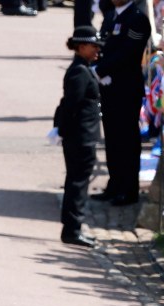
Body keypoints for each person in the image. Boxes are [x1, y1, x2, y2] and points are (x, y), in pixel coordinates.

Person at [93, 0, 151, 206]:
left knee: (127, 140)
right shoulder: (111, 16)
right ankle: (114, 184)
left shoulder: (137, 19)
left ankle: (128, 190)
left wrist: (100, 70)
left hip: (126, 87)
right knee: (112, 138)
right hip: (108, 86)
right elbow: (103, 45)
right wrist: (96, 64)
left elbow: (129, 52)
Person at [57, 26, 103, 248]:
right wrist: (63, 130)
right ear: (81, 46)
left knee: (77, 182)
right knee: (78, 183)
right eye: (94, 46)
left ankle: (73, 226)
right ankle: (72, 229)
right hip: (80, 137)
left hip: (82, 135)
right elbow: (70, 105)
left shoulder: (83, 68)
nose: (97, 50)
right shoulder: (79, 72)